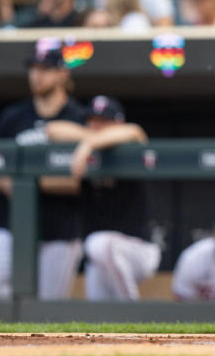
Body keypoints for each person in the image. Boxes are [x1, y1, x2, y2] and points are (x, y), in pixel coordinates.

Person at [0, 46, 89, 300]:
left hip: (60, 230)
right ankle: (18, 305)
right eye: (33, 69)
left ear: (63, 74)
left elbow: (83, 180)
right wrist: (6, 182)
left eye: (45, 69)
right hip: (16, 226)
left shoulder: (78, 117)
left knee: (46, 313)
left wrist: (29, 184)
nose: (37, 76)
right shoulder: (14, 116)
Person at [45, 95, 161, 301]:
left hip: (138, 249)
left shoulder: (130, 144)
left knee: (99, 243)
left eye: (102, 121)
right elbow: (52, 130)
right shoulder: (90, 146)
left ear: (117, 123)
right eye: (92, 120)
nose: (95, 126)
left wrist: (88, 144)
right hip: (100, 257)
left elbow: (134, 131)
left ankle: (133, 312)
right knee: (99, 315)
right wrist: (91, 139)